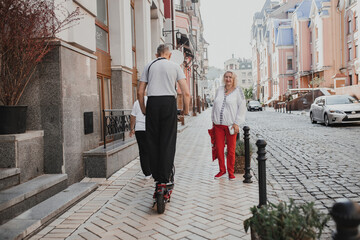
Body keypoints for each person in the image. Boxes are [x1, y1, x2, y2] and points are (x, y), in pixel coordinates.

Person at [137, 44, 190, 195]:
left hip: (153, 103)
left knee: (152, 141)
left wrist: (144, 109)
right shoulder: (174, 66)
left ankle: (157, 177)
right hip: (168, 104)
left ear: (156, 54)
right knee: (168, 141)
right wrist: (185, 111)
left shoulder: (148, 66)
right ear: (170, 55)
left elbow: (140, 92)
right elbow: (186, 93)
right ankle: (165, 177)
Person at [211, 71, 246, 180]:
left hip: (231, 125)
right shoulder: (219, 90)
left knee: (231, 150)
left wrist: (237, 123)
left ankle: (231, 172)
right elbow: (214, 105)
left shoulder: (238, 91)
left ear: (234, 79)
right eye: (226, 77)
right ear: (223, 78)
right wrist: (213, 120)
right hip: (218, 126)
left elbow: (242, 107)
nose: (228, 79)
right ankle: (222, 170)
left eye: (230, 77)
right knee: (219, 149)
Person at [130, 96, 151, 179]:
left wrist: (132, 128)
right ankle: (153, 170)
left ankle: (147, 173)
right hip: (150, 129)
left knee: (143, 151)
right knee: (152, 150)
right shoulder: (152, 101)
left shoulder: (137, 102)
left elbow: (132, 116)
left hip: (139, 129)